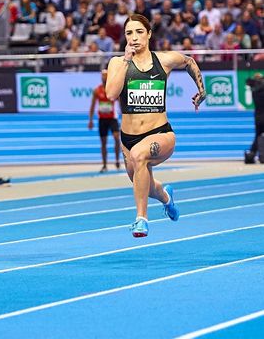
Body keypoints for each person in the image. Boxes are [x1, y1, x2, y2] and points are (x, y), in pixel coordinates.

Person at [106, 14, 206, 238]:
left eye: (139, 32)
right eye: (129, 33)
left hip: (160, 133)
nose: (134, 38)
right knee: (143, 184)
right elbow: (111, 94)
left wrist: (202, 90)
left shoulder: (164, 60)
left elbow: (189, 61)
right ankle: (167, 197)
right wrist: (125, 60)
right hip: (128, 138)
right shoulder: (117, 63)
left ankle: (141, 219)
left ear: (149, 34)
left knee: (141, 156)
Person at [88, 69, 120, 173]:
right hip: (102, 119)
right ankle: (105, 164)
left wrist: (125, 115)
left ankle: (117, 160)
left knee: (116, 138)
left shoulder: (113, 89)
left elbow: (120, 103)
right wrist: (91, 120)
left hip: (113, 118)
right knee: (103, 142)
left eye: (106, 76)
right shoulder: (97, 90)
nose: (104, 78)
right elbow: (93, 105)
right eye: (103, 76)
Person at [244, 73, 264, 163]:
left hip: (258, 117)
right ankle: (255, 154)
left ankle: (251, 154)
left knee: (258, 136)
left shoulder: (254, 90)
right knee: (258, 136)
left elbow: (249, 82)